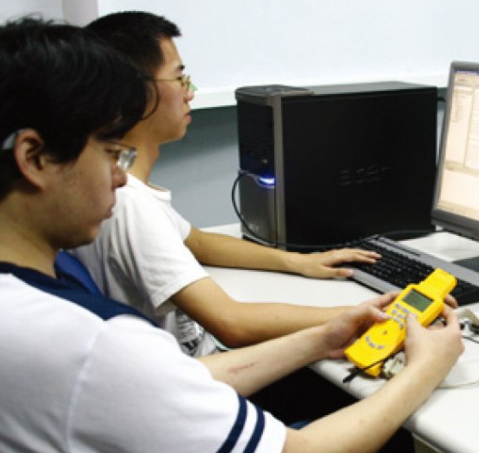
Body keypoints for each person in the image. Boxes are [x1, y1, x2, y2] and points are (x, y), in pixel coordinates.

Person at [0, 18, 479, 453]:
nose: (122, 178)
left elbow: (158, 382)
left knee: (376, 431)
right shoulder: (86, 344)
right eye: (109, 152)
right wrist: (425, 368)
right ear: (34, 158)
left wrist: (320, 337)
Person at [72, 11, 379, 358]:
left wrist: (299, 262)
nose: (190, 93)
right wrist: (366, 313)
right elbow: (231, 323)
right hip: (203, 376)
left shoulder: (126, 191)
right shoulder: (130, 204)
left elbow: (199, 242)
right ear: (134, 93)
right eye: (180, 79)